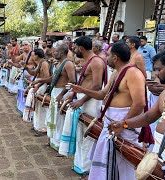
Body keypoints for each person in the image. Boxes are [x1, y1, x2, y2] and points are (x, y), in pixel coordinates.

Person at [71, 43, 146, 180]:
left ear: (115, 58)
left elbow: (140, 103)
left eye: (108, 55)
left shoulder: (133, 73)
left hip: (124, 123)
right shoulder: (116, 73)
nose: (106, 57)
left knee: (123, 163)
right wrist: (82, 90)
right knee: (107, 158)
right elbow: (102, 94)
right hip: (111, 122)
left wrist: (123, 124)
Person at [110, 47, 165, 173]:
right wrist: (124, 124)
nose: (156, 74)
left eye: (159, 69)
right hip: (159, 150)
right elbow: (148, 117)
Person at [63, 36, 107, 176]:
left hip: (91, 102)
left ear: (81, 48)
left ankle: (87, 168)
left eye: (75, 47)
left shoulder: (96, 62)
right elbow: (85, 82)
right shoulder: (89, 61)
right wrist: (74, 94)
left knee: (89, 133)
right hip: (83, 98)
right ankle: (80, 165)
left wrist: (81, 100)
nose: (74, 50)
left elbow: (96, 85)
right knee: (81, 132)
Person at [35, 43, 75, 151]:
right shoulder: (59, 64)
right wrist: (40, 80)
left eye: (56, 51)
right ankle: (52, 141)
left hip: (62, 93)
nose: (54, 52)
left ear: (62, 52)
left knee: (60, 120)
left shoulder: (68, 64)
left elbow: (72, 81)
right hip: (55, 92)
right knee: (52, 118)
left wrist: (61, 94)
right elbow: (52, 78)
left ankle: (60, 146)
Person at [24, 48, 50, 135]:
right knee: (36, 107)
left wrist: (38, 84)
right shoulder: (40, 63)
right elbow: (33, 73)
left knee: (41, 108)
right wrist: (27, 68)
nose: (32, 57)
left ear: (37, 55)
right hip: (38, 85)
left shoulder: (44, 63)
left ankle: (43, 128)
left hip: (42, 86)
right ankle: (37, 125)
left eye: (33, 55)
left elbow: (47, 78)